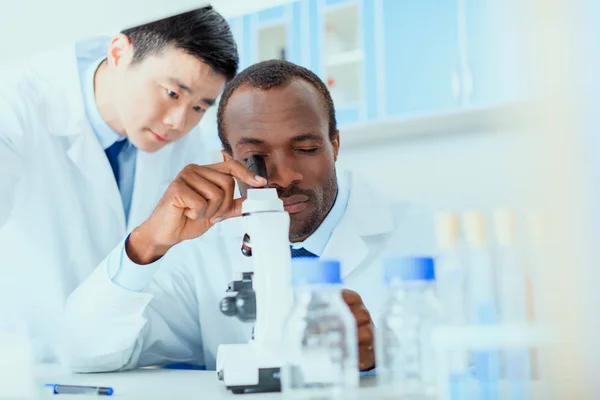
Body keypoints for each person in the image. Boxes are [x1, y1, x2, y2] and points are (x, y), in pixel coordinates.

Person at [60, 60, 435, 373]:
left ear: (334, 145)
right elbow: (83, 350)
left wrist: (377, 362)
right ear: (228, 163)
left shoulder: (421, 236)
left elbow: (467, 366)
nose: (284, 177)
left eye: (305, 148)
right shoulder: (203, 252)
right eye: (256, 158)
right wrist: (147, 242)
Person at [0, 6, 238, 360]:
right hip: (27, 362)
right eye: (172, 93)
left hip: (118, 364)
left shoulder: (191, 147)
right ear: (118, 54)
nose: (178, 122)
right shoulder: (17, 103)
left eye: (200, 107)